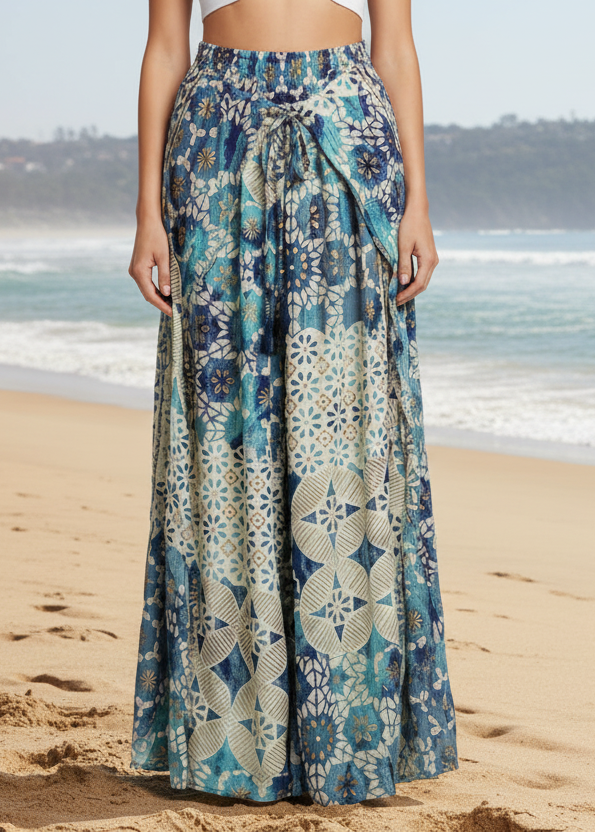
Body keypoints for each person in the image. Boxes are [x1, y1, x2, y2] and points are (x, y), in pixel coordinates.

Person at [128, 0, 458, 805]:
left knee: (343, 425)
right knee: (222, 432)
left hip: (344, 131)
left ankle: (350, 735)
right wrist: (145, 209)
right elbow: (165, 46)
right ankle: (232, 739)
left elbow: (397, 46)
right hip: (215, 140)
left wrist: (417, 202)